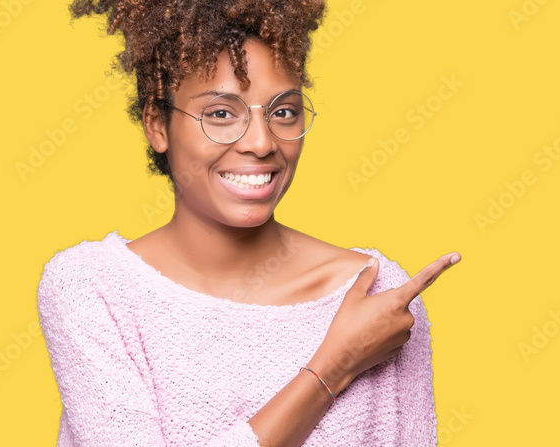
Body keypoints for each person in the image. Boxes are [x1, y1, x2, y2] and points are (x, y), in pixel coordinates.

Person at [36, 0, 461, 445]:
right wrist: (334, 365)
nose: (261, 143)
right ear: (157, 125)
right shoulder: (93, 288)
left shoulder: (377, 295)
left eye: (283, 112)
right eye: (221, 114)